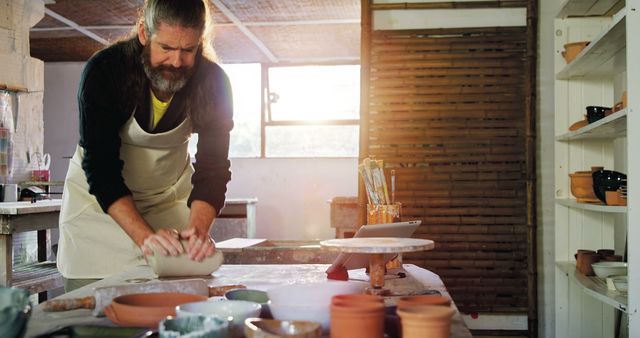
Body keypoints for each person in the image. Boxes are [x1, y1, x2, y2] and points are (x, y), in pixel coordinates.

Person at [57, 0, 233, 292]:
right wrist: (144, 238)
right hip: (100, 208)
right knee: (95, 314)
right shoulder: (105, 71)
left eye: (188, 50)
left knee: (174, 309)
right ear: (143, 32)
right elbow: (102, 169)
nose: (177, 62)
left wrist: (197, 232)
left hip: (168, 201)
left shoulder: (213, 82)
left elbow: (213, 168)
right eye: (165, 48)